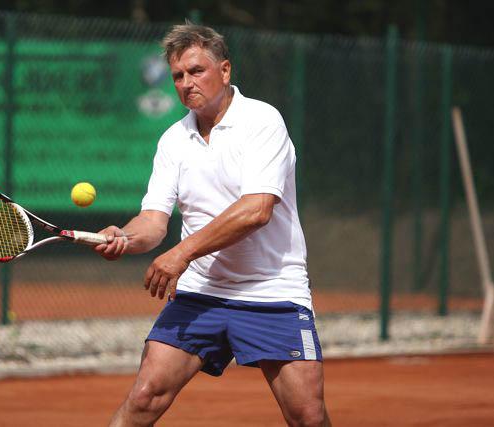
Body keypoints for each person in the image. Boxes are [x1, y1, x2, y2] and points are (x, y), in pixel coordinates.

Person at [95, 23, 330, 427]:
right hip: (201, 292)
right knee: (145, 396)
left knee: (307, 416)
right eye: (177, 76)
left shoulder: (262, 121)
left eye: (196, 71)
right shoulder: (173, 140)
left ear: (224, 70)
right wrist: (124, 237)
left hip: (272, 289)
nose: (186, 83)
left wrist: (182, 253)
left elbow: (257, 209)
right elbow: (153, 221)